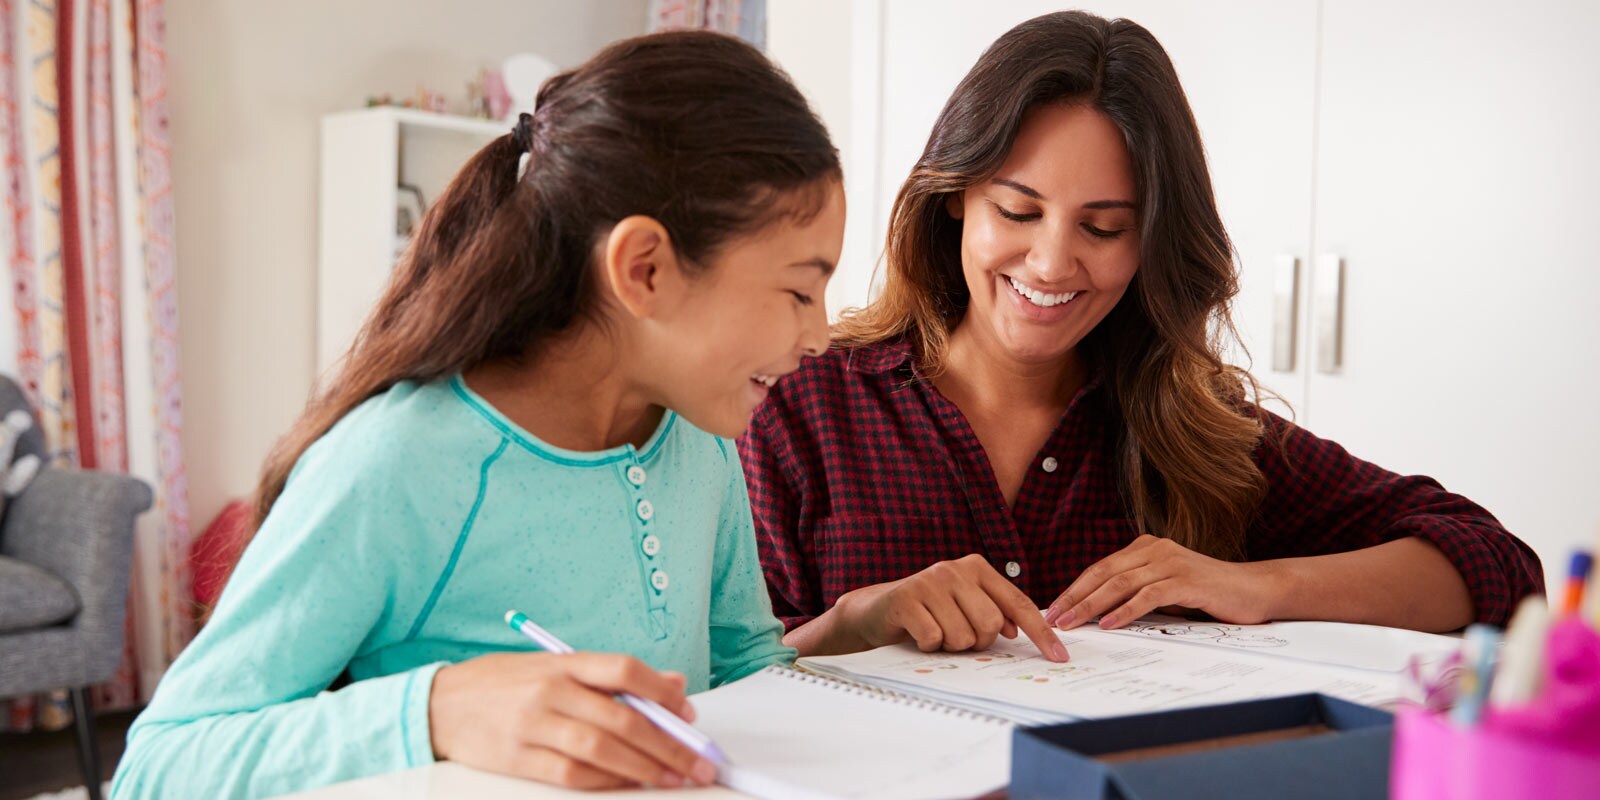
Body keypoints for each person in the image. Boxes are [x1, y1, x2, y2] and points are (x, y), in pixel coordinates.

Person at [112, 31, 843, 798]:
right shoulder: (398, 461)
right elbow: (160, 764)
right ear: (644, 270)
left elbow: (747, 673)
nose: (821, 336)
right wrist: (437, 711)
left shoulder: (698, 434)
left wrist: (849, 639)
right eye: (799, 291)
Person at [739, 10, 1542, 662]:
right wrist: (855, 623)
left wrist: (1255, 586)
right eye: (1017, 212)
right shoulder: (799, 410)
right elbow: (712, 688)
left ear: (1151, 241)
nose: (1052, 262)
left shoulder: (1194, 430)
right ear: (953, 198)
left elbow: (1495, 564)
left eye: (1104, 227)